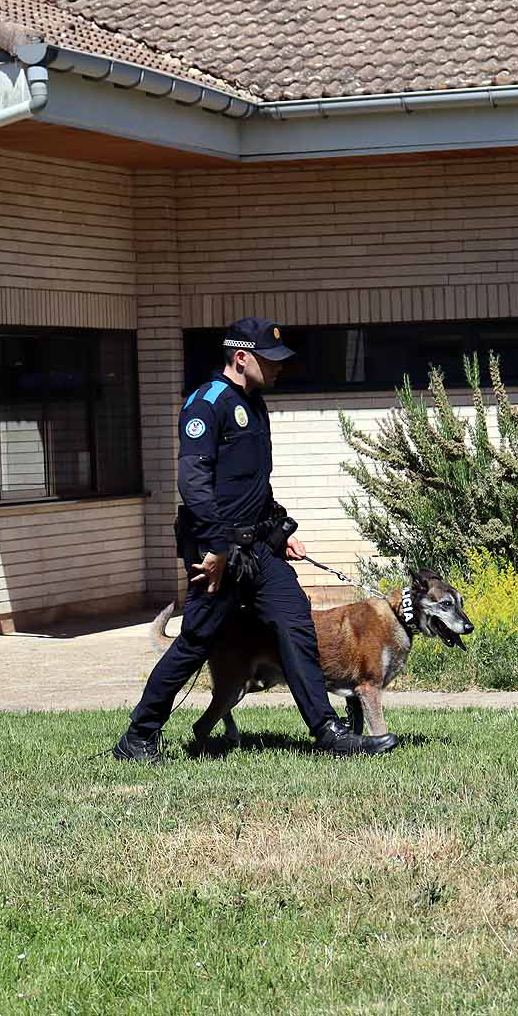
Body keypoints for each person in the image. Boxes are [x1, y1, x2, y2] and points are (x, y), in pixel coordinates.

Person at [112, 318, 393, 761]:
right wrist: (219, 548)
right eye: (270, 360)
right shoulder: (205, 404)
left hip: (257, 550)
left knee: (295, 623)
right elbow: (194, 483)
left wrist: (280, 532)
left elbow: (253, 485)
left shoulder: (256, 405)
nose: (279, 369)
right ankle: (139, 736)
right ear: (241, 357)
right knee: (196, 641)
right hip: (216, 551)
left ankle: (328, 732)